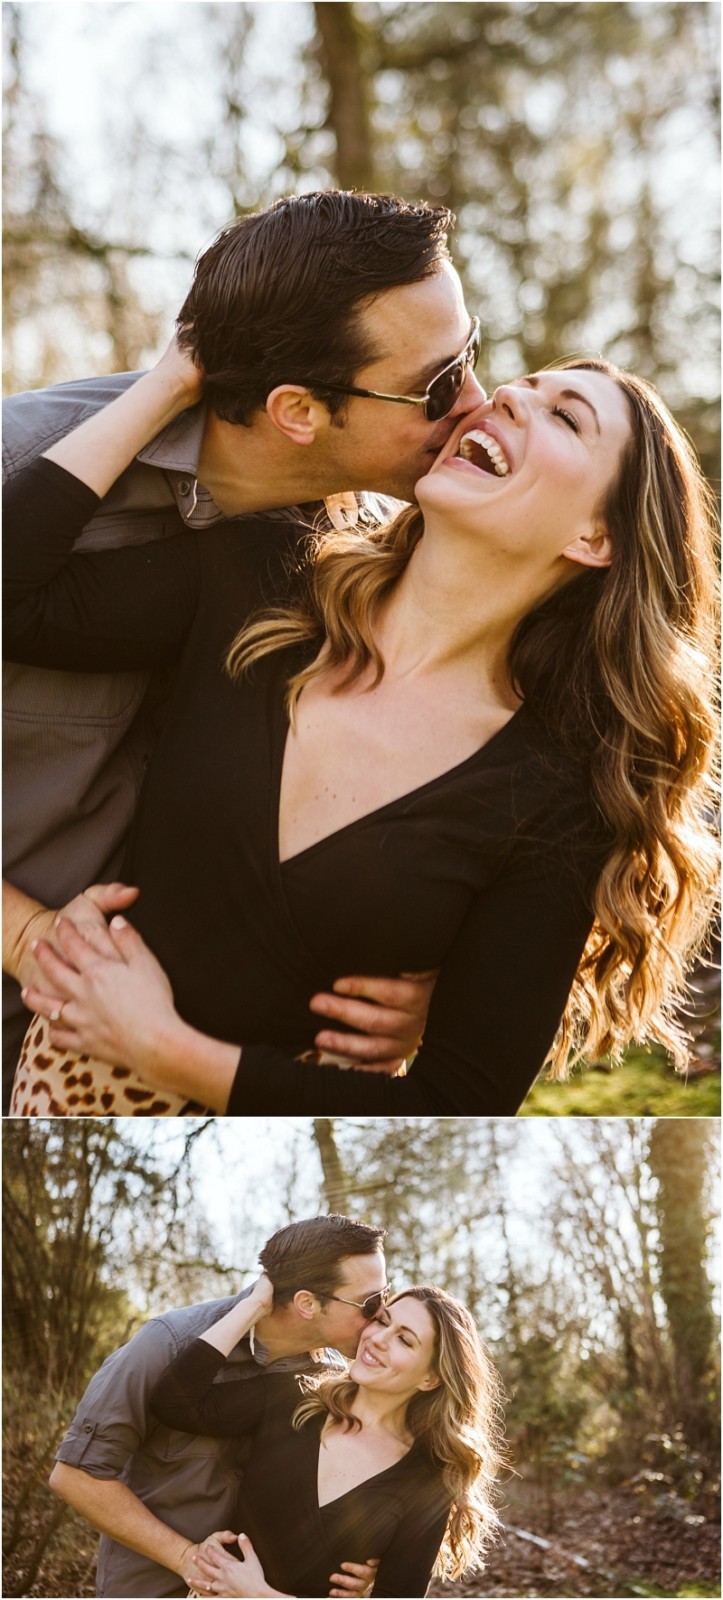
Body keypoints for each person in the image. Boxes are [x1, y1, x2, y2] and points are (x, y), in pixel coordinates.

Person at [5, 338, 718, 1115]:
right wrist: (174, 379)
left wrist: (166, 1051)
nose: (508, 396)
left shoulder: (559, 796)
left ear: (594, 538)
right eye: (522, 384)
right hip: (56, 1115)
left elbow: (461, 1098)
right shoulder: (262, 578)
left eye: (566, 418)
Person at [2, 188, 486, 1108]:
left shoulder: (360, 548)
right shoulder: (17, 471)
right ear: (296, 409)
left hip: (140, 1042)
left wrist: (419, 978)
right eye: (437, 385)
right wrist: (26, 937)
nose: (477, 403)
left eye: (470, 354)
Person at [49, 1214, 389, 1600]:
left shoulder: (333, 1376)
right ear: (307, 1303)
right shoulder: (167, 1344)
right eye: (370, 1302)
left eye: (385, 1294)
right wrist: (187, 1558)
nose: (381, 1313)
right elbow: (76, 1476)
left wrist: (356, 1564)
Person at [147, 1277, 504, 1599]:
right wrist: (252, 1306)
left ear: (430, 1379)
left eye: (404, 1340)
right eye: (382, 1321)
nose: (377, 1339)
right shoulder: (291, 1399)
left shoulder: (426, 1481)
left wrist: (257, 1595)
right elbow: (173, 1403)